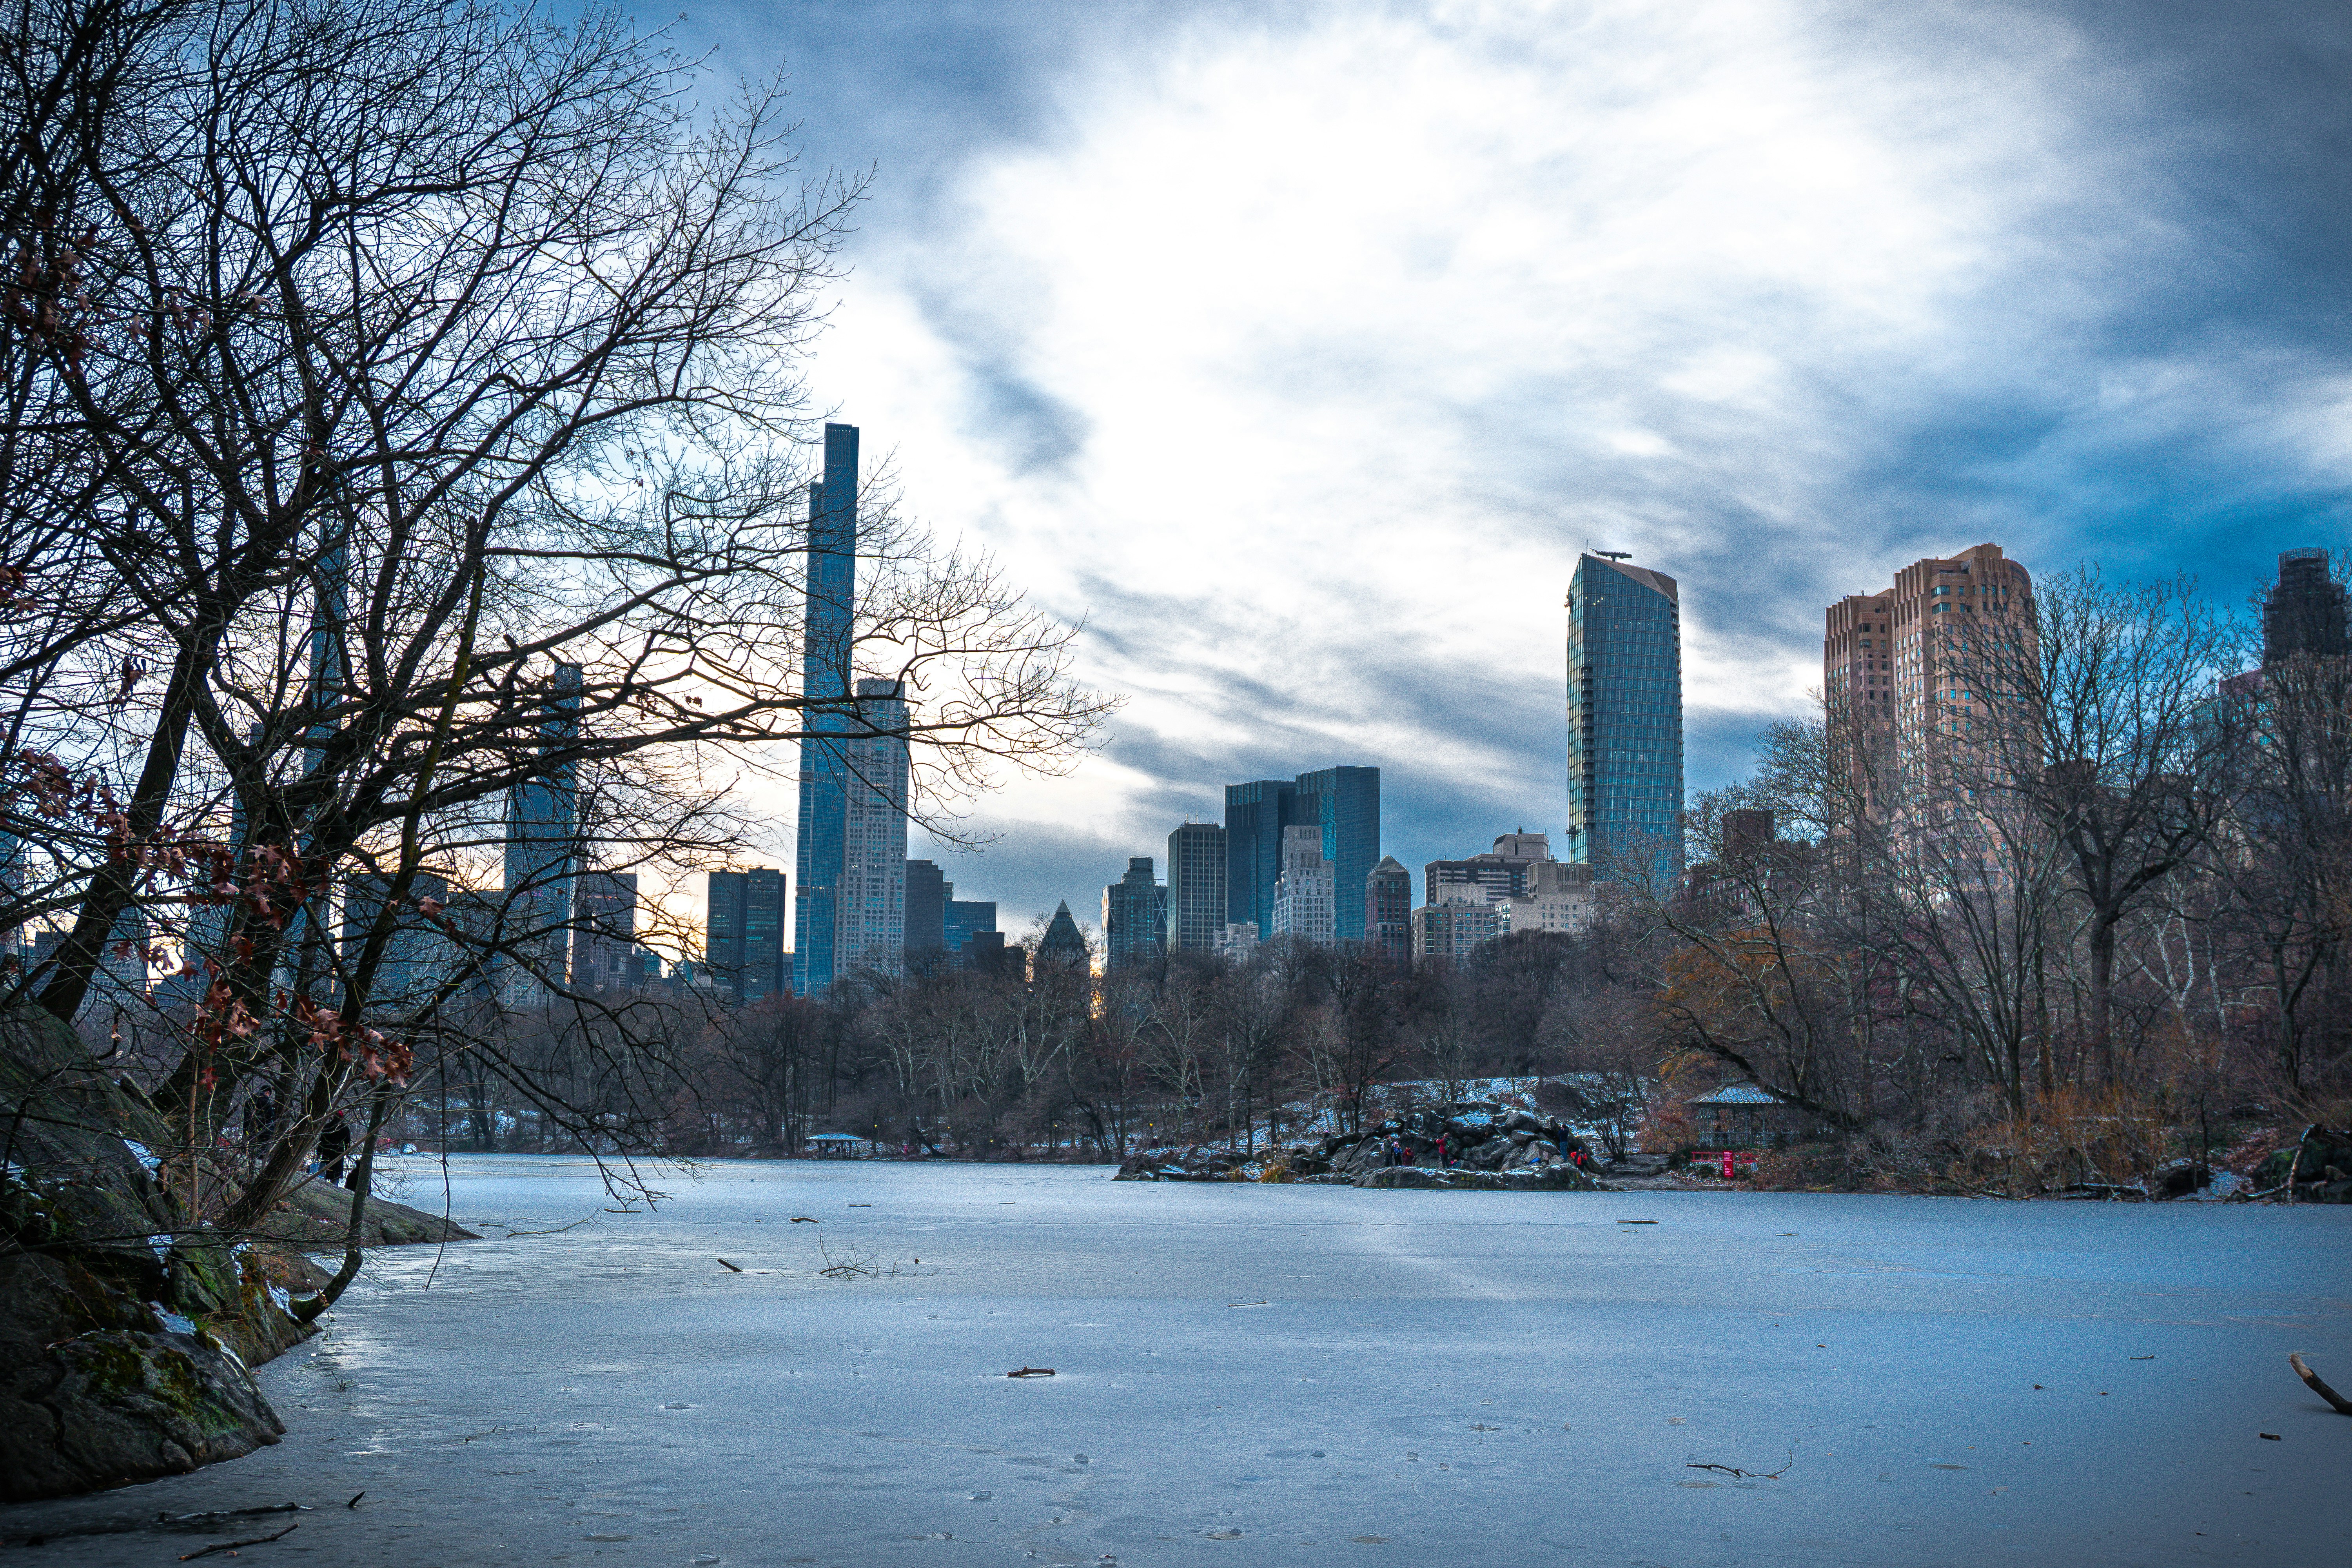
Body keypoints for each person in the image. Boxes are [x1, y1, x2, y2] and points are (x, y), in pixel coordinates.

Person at [316, 1111, 350, 1184]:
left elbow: (321, 1142)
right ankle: (334, 1189)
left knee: (323, 1175)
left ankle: (320, 1187)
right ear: (342, 1118)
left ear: (334, 1117)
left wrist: (319, 1153)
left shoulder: (327, 1127)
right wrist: (347, 1152)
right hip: (338, 1155)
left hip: (327, 1153)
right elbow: (348, 1143)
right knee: (335, 1176)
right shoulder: (345, 1128)